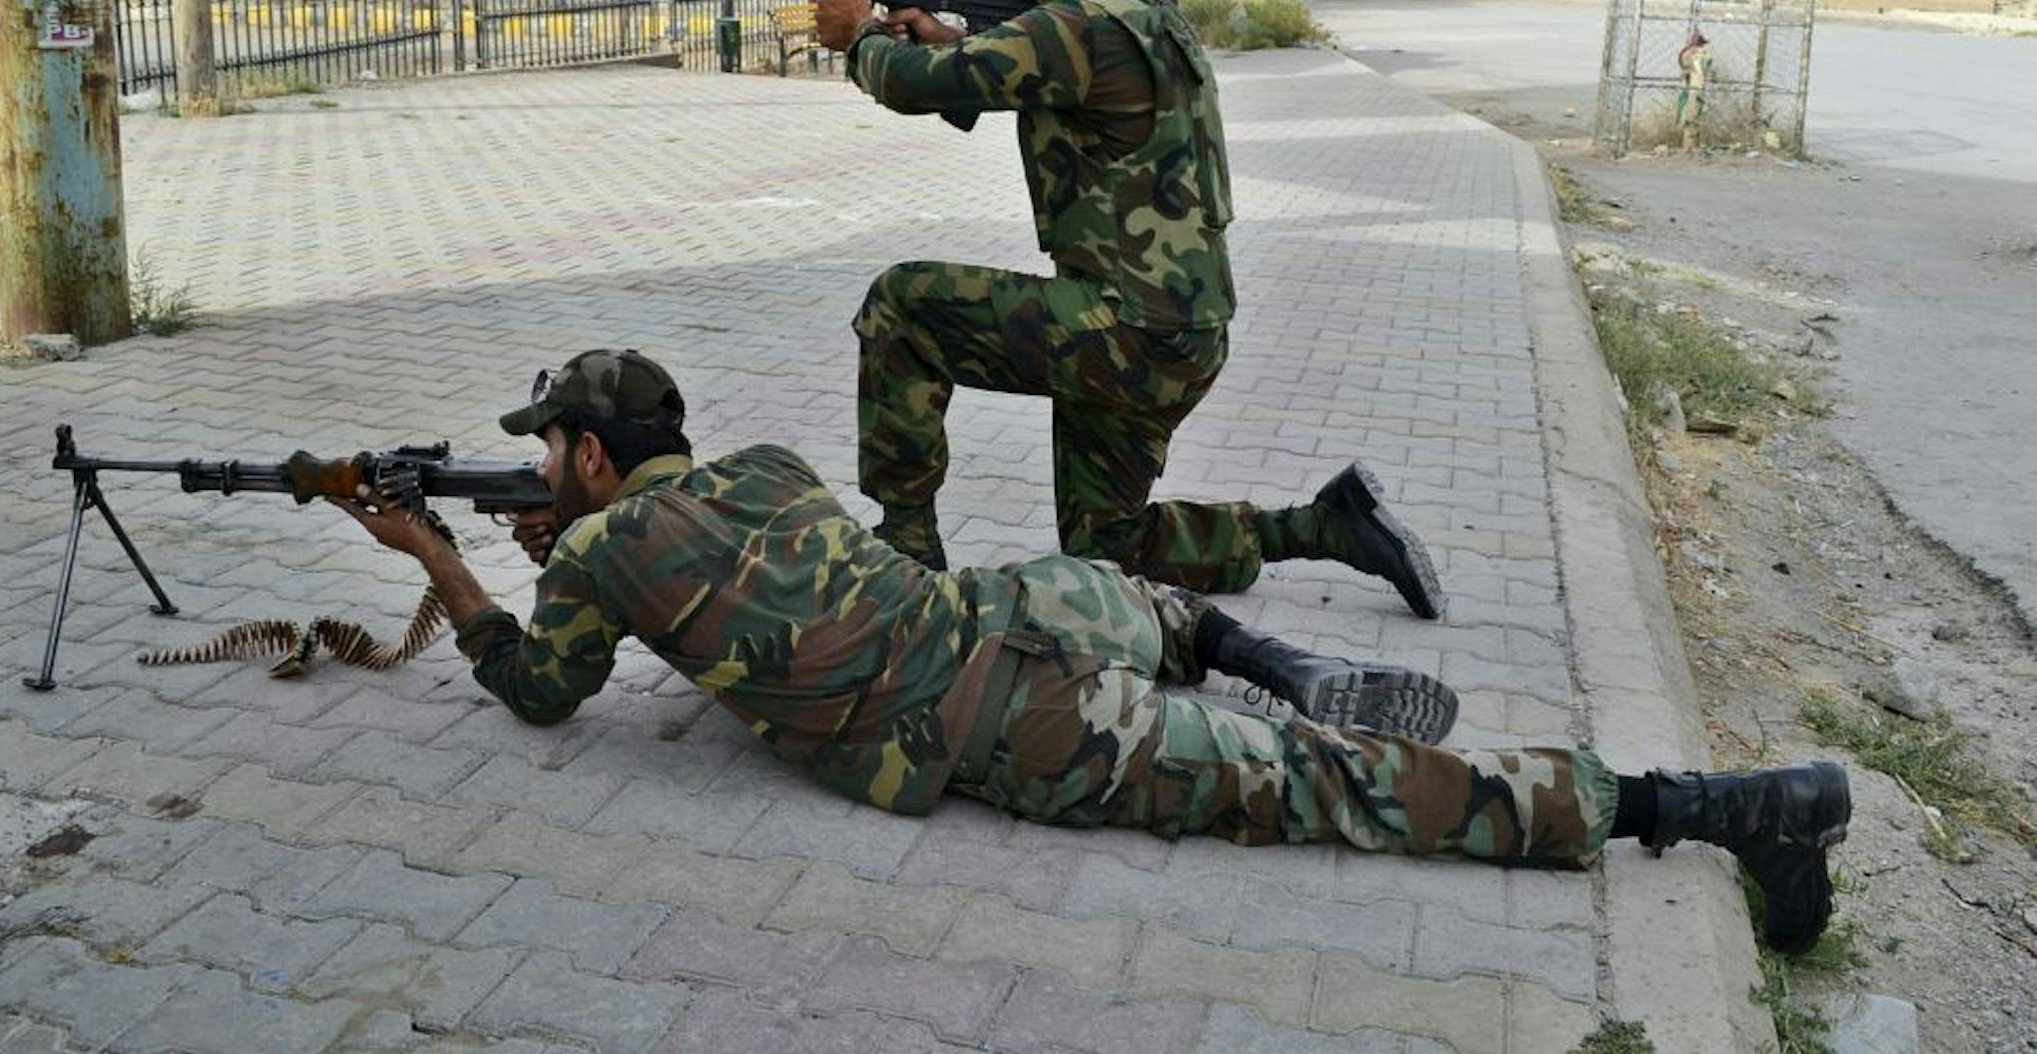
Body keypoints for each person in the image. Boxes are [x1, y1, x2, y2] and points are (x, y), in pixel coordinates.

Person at [330, 350, 1853, 956]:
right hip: (1011, 608)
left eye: (550, 456)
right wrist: (572, 546)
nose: (543, 472)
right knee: (1134, 586)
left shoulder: (594, 553)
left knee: (1339, 790)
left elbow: (540, 692)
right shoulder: (772, 463)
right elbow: (730, 568)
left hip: (1015, 732)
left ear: (586, 456)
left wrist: (444, 558)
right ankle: (1250, 641)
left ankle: (1703, 810)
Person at [810, 0, 1442, 620]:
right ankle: (1322, 526)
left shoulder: (1074, 27)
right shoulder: (1145, 18)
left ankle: (905, 560)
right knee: (1107, 548)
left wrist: (861, 33)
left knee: (903, 305)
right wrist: (950, 41)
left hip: (1123, 328)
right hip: (1184, 330)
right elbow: (1010, 77)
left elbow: (916, 86)